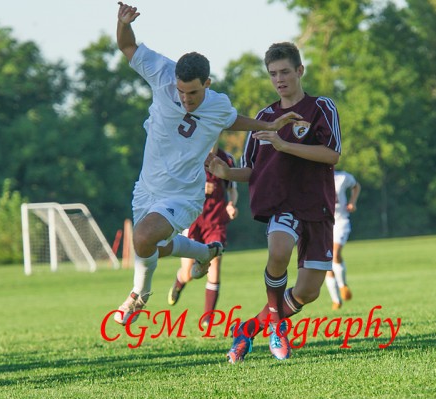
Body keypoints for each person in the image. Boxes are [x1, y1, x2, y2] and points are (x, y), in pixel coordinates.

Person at [113, 3, 301, 327]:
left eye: (194, 93)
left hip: (184, 196)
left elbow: (235, 121)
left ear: (208, 83)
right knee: (150, 245)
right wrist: (123, 22)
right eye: (182, 92)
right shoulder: (161, 72)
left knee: (144, 238)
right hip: (146, 189)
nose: (186, 99)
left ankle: (138, 295)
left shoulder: (217, 105)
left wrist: (268, 126)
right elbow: (127, 46)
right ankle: (203, 253)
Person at [207, 42, 341, 362]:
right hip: (282, 204)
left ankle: (249, 328)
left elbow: (332, 154)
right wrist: (226, 172)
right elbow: (252, 171)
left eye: (284, 72)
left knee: (308, 292)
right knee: (278, 251)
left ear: (299, 71)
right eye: (272, 74)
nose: (279, 79)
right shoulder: (264, 117)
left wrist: (284, 145)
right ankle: (277, 327)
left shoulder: (321, 107)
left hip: (318, 207)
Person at [167, 143, 239, 328]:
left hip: (216, 222)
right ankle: (180, 281)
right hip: (192, 220)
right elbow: (175, 188)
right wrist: (198, 189)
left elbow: (232, 189)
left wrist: (231, 204)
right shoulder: (189, 157)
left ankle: (208, 318)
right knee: (189, 273)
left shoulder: (227, 159)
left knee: (214, 265)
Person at [325, 170, 361, 310]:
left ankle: (342, 285)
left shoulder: (343, 177)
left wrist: (352, 201)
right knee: (326, 262)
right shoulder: (313, 178)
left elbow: (356, 186)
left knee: (335, 253)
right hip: (323, 224)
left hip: (341, 221)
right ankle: (336, 300)